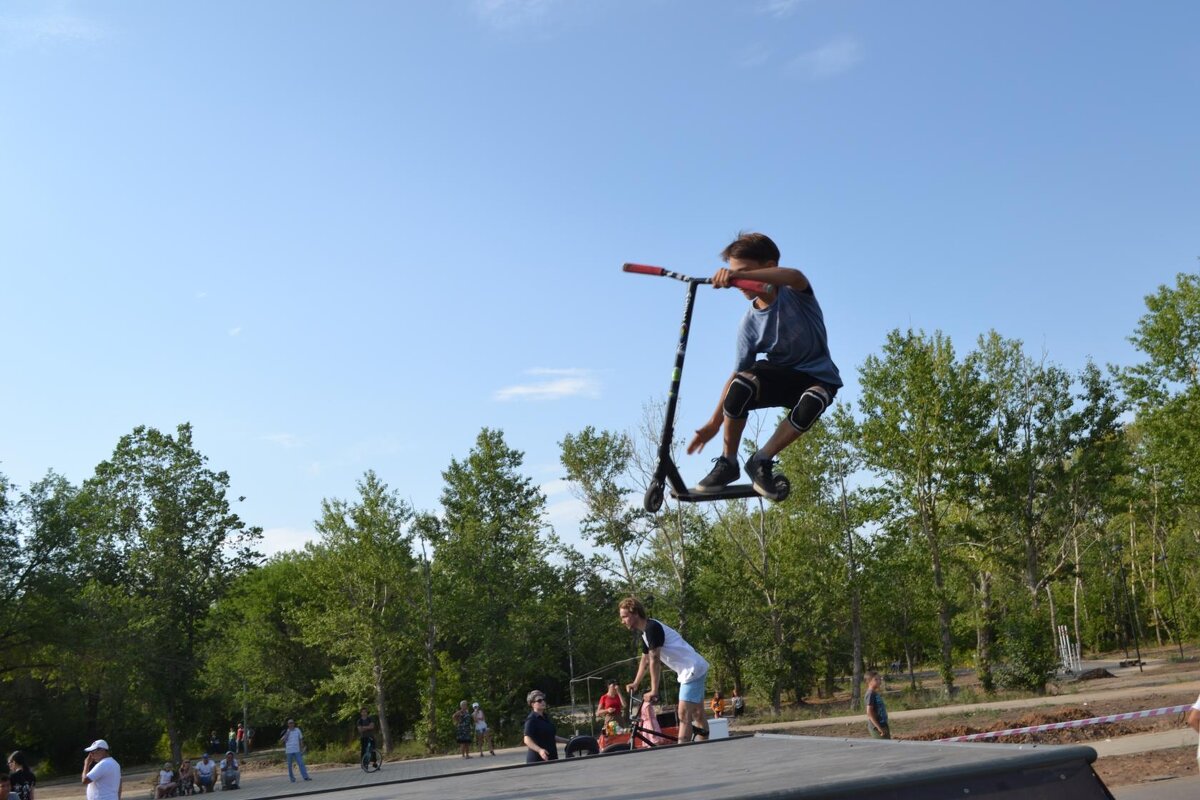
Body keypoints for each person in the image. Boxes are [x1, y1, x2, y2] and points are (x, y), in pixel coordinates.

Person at [687, 232, 842, 499]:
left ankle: (761, 460)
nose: (737, 283)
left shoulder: (796, 292)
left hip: (816, 378)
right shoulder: (749, 324)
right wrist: (713, 423)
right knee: (741, 385)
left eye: (743, 274)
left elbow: (794, 274)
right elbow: (735, 374)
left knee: (814, 400)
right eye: (733, 275)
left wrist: (738, 277)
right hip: (779, 378)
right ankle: (729, 462)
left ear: (770, 267)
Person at [619, 596, 710, 744]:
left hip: (691, 669)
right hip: (691, 669)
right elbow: (645, 659)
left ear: (635, 614)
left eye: (624, 616)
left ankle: (683, 750)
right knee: (698, 714)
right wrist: (636, 683)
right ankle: (704, 744)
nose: (622, 621)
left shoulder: (652, 628)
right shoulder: (645, 633)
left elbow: (655, 659)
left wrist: (654, 690)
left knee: (683, 714)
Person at [522, 690, 566, 763]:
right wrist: (540, 750)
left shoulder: (546, 717)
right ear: (532, 704)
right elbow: (527, 740)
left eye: (543, 700)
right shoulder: (531, 719)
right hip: (537, 759)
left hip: (551, 757)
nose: (543, 702)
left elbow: (551, 736)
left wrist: (568, 741)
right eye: (539, 700)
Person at [865, 671, 891, 739]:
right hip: (877, 727)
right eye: (876, 679)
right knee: (884, 748)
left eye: (879, 679)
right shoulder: (870, 694)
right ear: (869, 681)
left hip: (882, 724)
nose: (879, 681)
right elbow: (869, 713)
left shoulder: (874, 693)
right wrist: (879, 728)